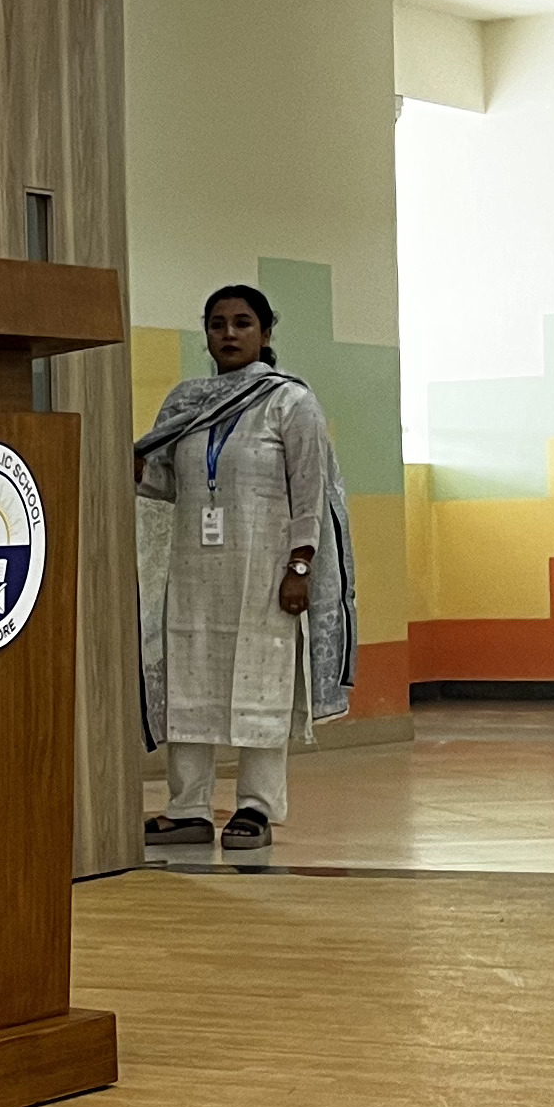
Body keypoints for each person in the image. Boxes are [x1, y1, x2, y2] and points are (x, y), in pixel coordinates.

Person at [134, 281, 355, 851]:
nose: (228, 334)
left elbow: (310, 489)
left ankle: (256, 808)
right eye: (217, 324)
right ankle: (188, 808)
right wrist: (129, 463)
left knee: (263, 683)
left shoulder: (289, 402)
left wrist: (300, 567)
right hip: (194, 571)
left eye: (241, 323)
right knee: (188, 681)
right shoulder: (187, 403)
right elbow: (164, 482)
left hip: (266, 573)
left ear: (266, 332)